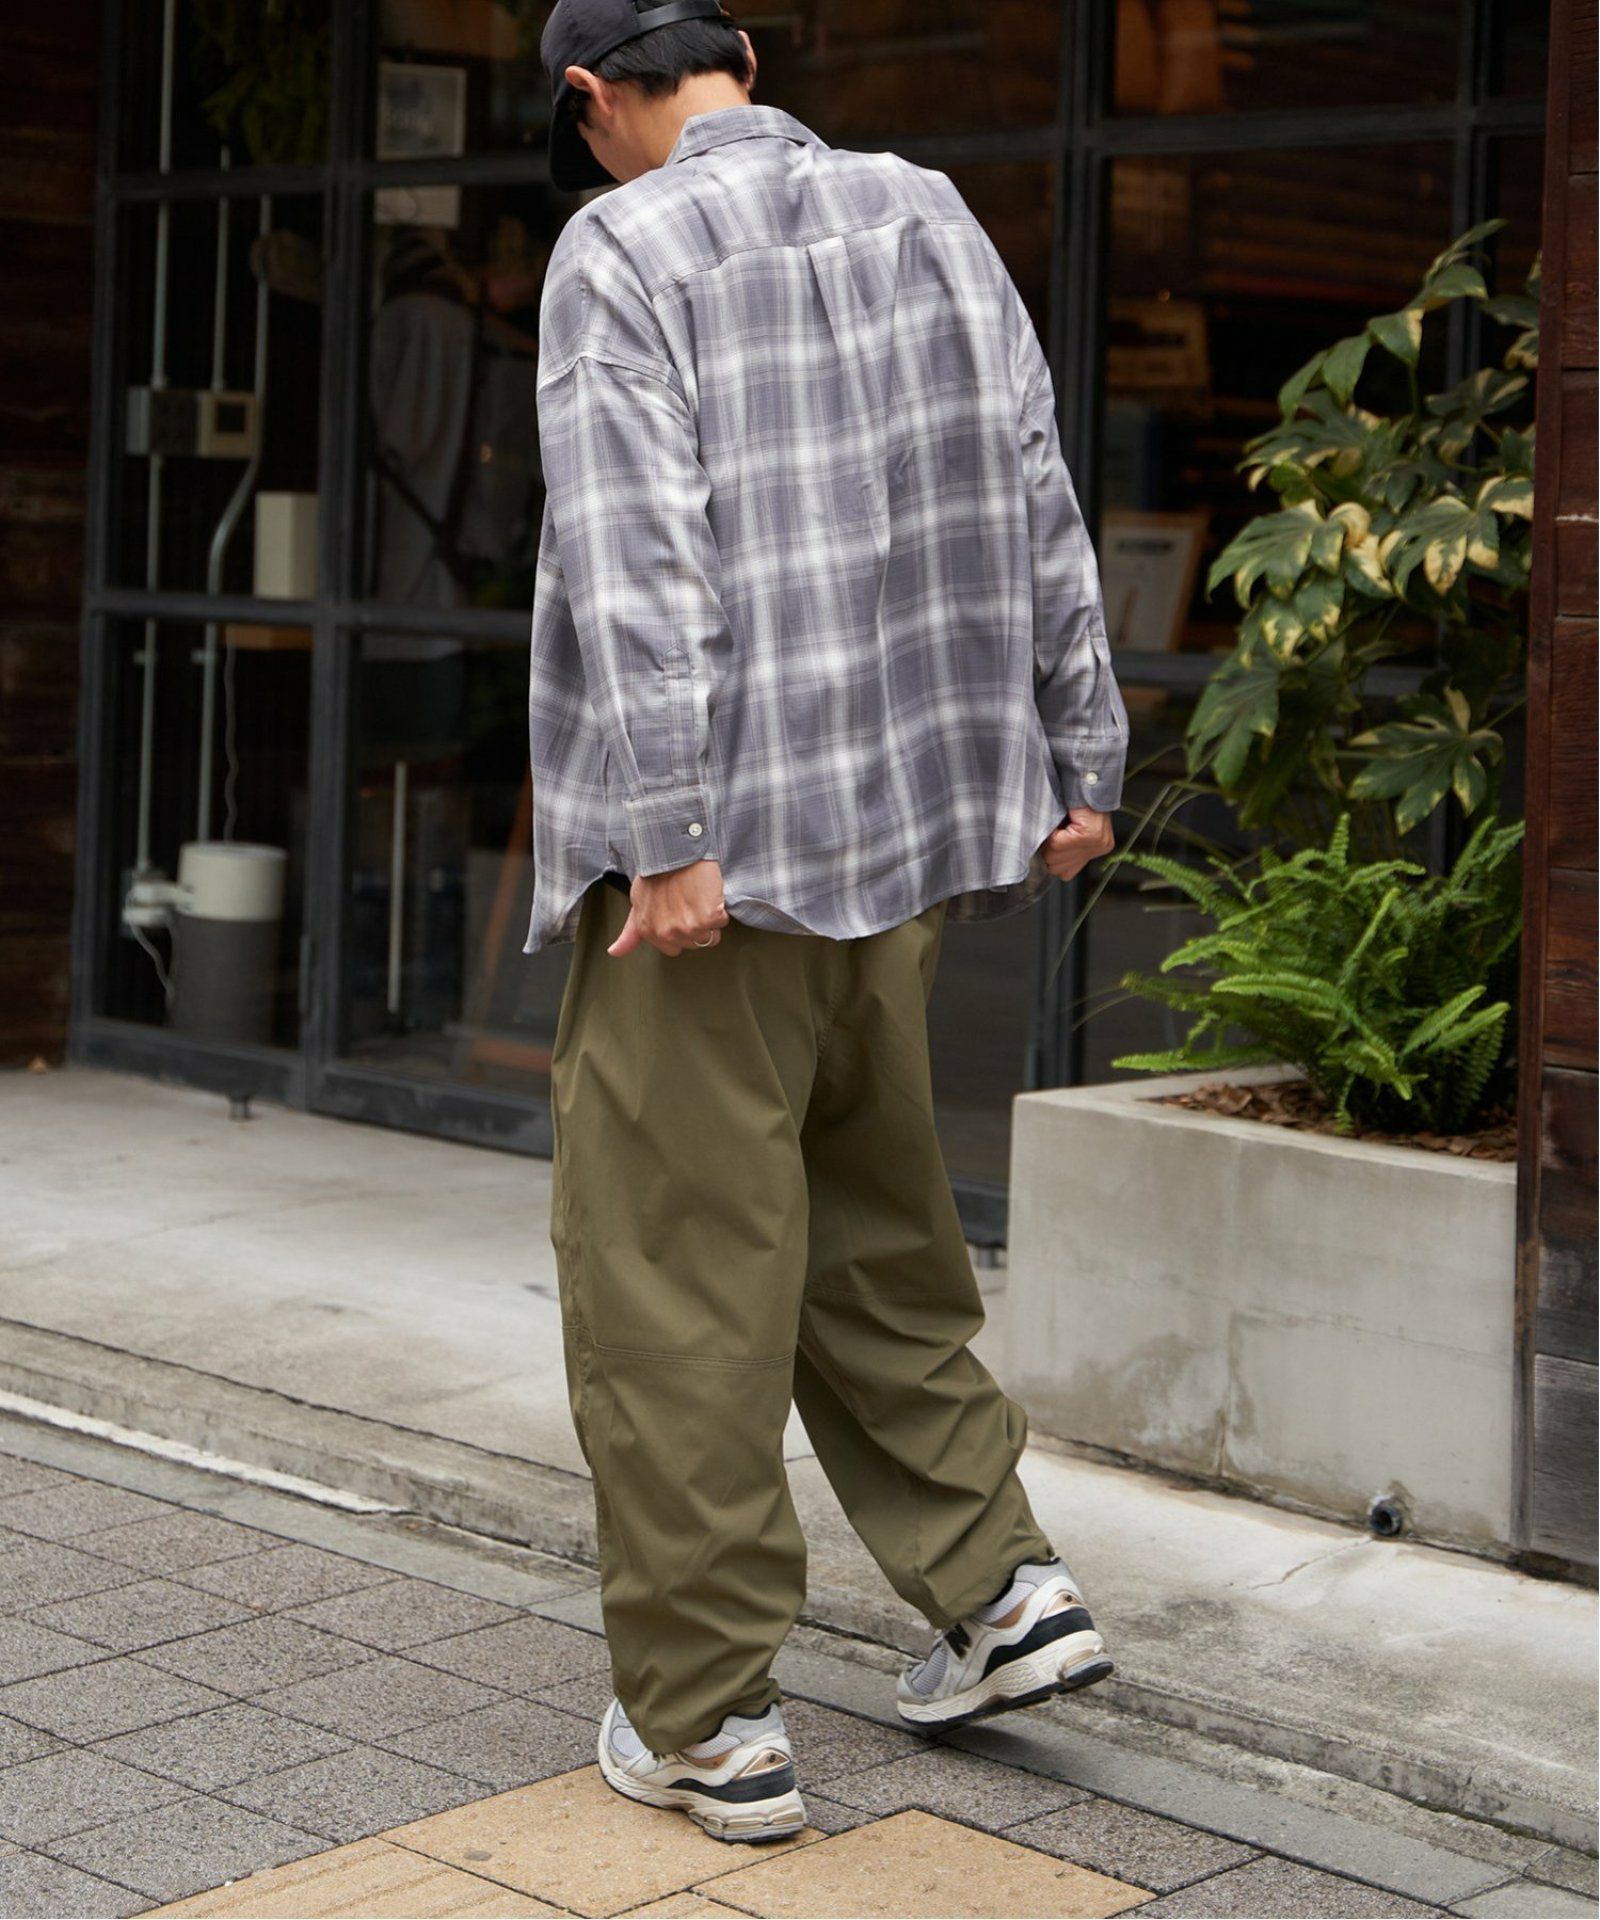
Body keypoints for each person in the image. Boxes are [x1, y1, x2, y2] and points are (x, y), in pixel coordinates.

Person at [525, 0, 1131, 1845]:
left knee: (676, 1281)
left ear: (593, 97)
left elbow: (639, 556)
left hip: (716, 878)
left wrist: (666, 835)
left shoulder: (619, 244)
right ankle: (1001, 1594)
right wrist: (1083, 751)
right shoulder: (927, 206)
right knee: (873, 1232)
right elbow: (1037, 484)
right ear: (743, 62)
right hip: (906, 841)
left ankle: (705, 1715)